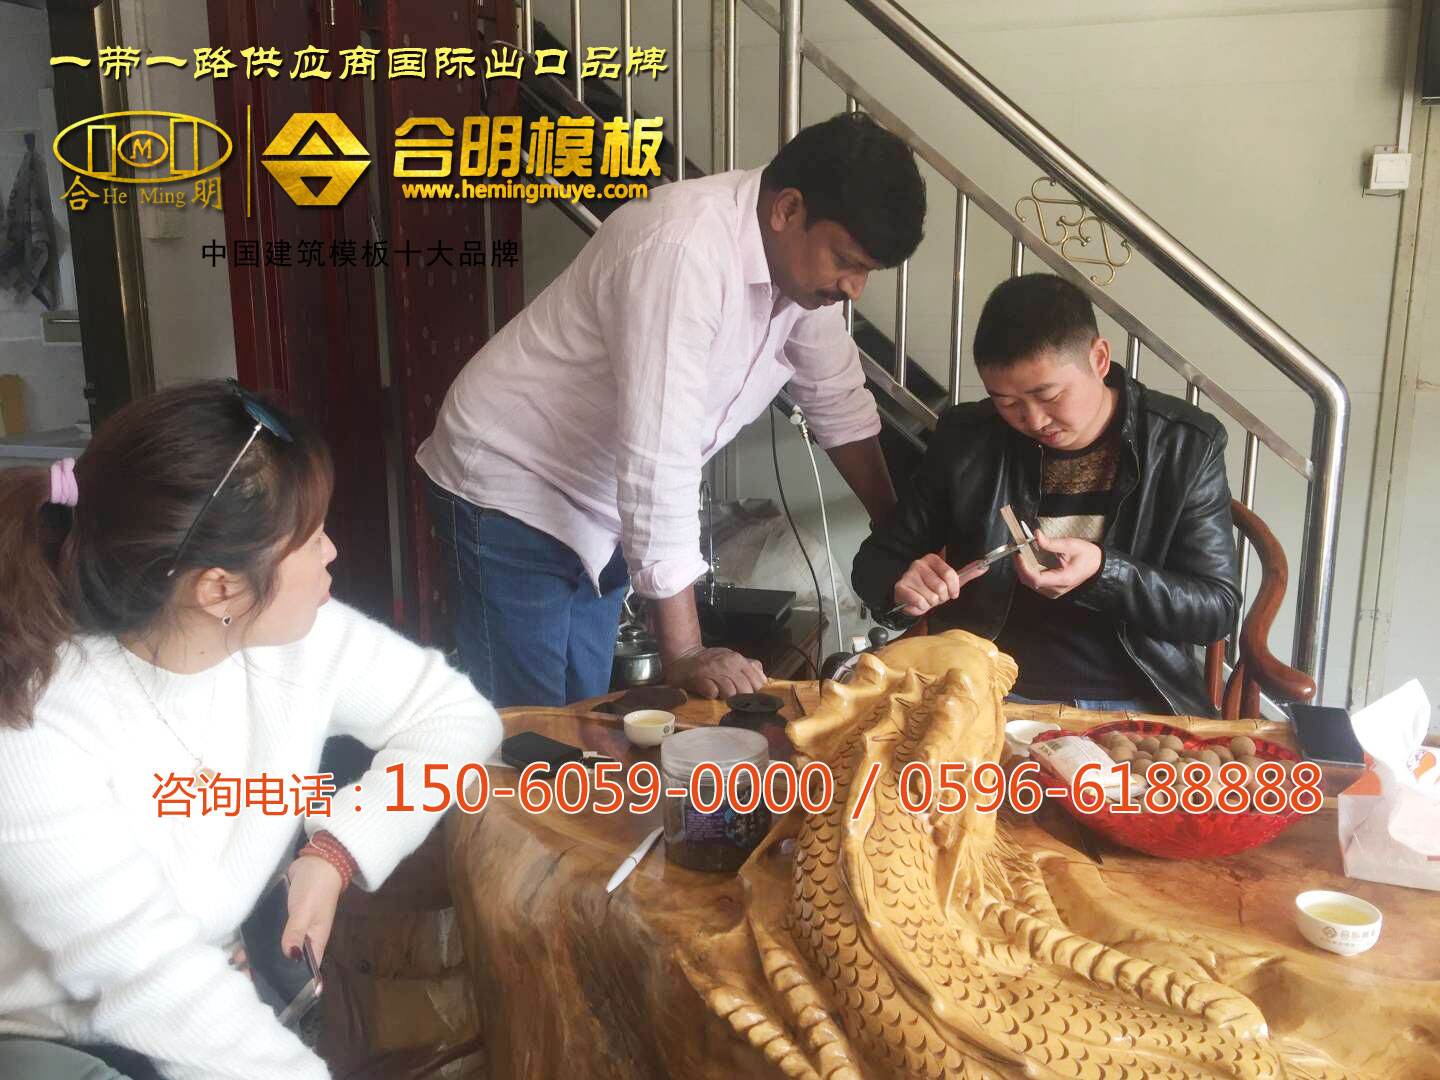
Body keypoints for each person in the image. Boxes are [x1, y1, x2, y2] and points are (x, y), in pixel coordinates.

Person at [0, 381, 502, 1079]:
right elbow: (150, 983)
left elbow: (457, 718)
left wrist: (335, 852)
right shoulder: (36, 728)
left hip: (191, 998)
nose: (332, 552)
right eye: (312, 537)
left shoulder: (298, 641)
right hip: (54, 1035)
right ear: (220, 589)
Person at [418, 111, 925, 707]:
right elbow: (659, 456)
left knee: (582, 714)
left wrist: (899, 539)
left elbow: (838, 401)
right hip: (513, 482)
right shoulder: (683, 250)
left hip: (599, 497)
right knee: (530, 729)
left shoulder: (801, 280)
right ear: (787, 210)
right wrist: (684, 652)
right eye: (847, 261)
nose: (854, 288)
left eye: (867, 272)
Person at [852, 274, 1240, 716]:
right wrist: (902, 585)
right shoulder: (968, 438)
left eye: (1049, 395)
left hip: (1135, 698)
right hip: (988, 690)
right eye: (1007, 403)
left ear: (1099, 359)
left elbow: (1216, 609)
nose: (1033, 420)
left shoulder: (1184, 445)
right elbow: (876, 562)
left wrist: (1105, 572)